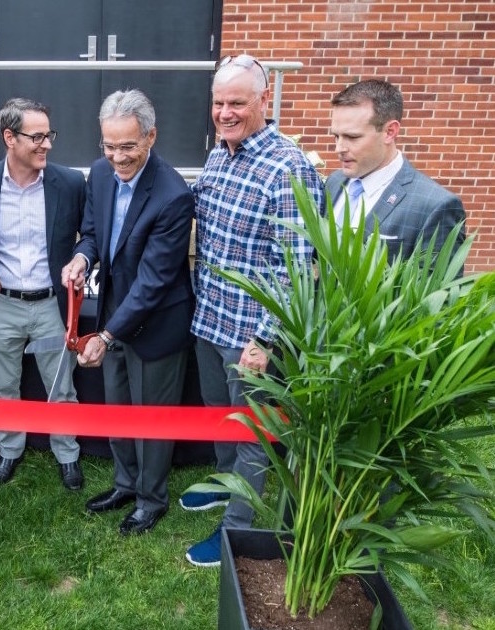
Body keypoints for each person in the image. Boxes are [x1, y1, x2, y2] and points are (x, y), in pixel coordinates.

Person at [183, 54, 324, 566]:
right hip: (210, 318)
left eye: (237, 102)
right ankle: (225, 486)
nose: (225, 112)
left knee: (251, 435)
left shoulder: (290, 168)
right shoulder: (221, 153)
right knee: (220, 418)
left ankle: (234, 532)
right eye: (219, 102)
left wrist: (264, 340)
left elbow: (296, 265)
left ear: (264, 100)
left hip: (250, 335)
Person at [62, 89, 194, 536]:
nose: (117, 158)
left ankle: (152, 499)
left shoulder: (174, 195)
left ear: (151, 136)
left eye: (128, 147)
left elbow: (154, 281)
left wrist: (106, 336)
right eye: (109, 146)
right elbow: (94, 231)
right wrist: (82, 257)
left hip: (156, 323)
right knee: (118, 408)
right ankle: (125, 483)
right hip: (114, 315)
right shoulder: (99, 174)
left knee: (150, 419)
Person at [0, 98, 85, 489]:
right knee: (3, 386)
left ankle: (67, 453)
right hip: (1, 305)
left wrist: (82, 257)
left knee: (61, 387)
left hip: (51, 304)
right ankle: (9, 450)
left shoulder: (70, 183)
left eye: (49, 135)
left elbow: (88, 235)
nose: (47, 144)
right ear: (10, 138)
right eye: (37, 137)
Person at [326, 79, 466, 261]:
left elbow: (434, 285)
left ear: (390, 132)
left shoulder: (434, 206)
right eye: (336, 136)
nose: (339, 148)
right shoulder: (334, 182)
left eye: (352, 137)